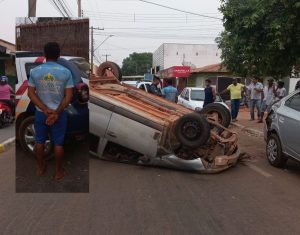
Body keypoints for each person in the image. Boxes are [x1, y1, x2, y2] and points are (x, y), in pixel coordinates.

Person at [28, 42, 74, 181]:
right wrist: (56, 112)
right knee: (59, 143)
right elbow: (69, 97)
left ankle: (40, 168)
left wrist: (44, 109)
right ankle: (59, 172)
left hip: (41, 113)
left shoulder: (35, 71)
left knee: (40, 141)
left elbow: (31, 93)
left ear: (44, 54)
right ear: (59, 55)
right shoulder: (66, 72)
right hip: (59, 114)